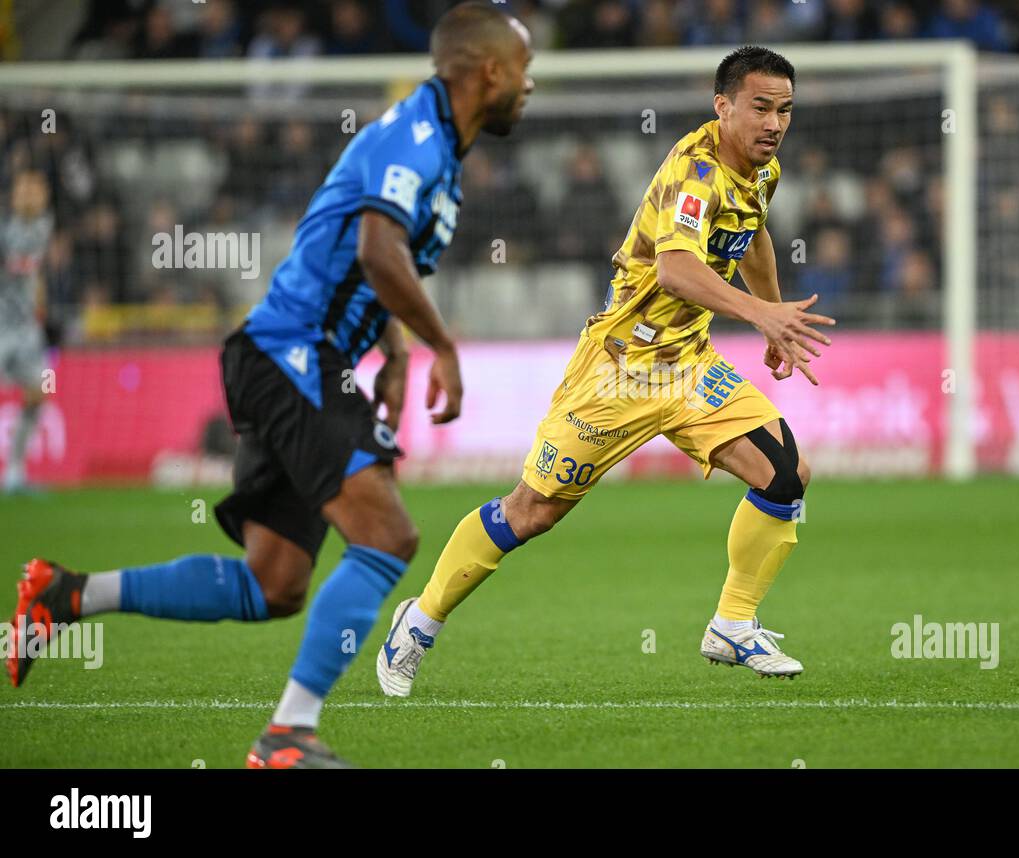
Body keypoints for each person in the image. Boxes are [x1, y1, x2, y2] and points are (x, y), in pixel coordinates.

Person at [8, 1, 534, 768]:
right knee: (388, 536)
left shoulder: (437, 151)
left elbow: (362, 258)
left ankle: (67, 594)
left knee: (274, 583)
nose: (529, 87)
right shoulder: (414, 140)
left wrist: (388, 350)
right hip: (291, 351)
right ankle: (287, 737)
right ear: (489, 70)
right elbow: (378, 246)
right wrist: (439, 347)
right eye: (524, 70)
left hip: (296, 357)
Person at [377, 46, 835, 698]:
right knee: (531, 512)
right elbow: (676, 268)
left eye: (785, 110)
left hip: (687, 367)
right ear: (723, 105)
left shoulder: (761, 171)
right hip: (620, 370)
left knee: (787, 474)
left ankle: (733, 622)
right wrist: (761, 314)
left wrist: (773, 307)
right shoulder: (695, 176)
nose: (774, 123)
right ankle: (420, 620)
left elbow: (753, 230)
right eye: (761, 107)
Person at [0, 169, 54, 495]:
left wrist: (40, 305)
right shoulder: (6, 231)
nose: (31, 195)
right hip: (1, 323)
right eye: (25, 189)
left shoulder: (44, 227)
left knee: (38, 393)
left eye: (37, 189)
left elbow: (35, 274)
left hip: (26, 328)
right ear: (15, 194)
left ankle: (15, 472)